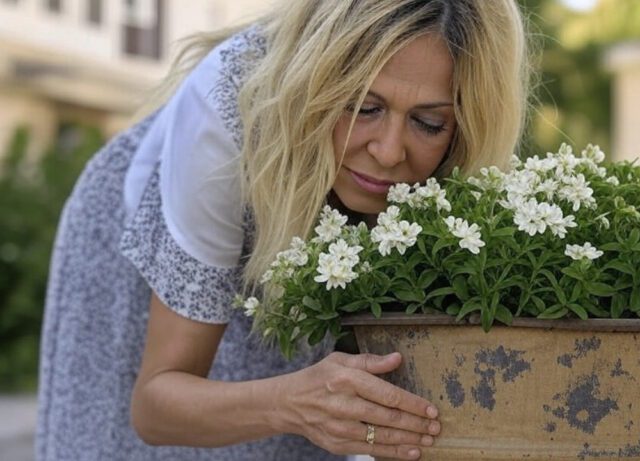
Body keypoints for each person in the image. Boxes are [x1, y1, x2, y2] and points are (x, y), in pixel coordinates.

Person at [35, 0, 530, 459]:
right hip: (145, 245)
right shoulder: (226, 110)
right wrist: (290, 401)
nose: (388, 151)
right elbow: (156, 403)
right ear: (319, 85)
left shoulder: (459, 159)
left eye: (427, 123)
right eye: (363, 107)